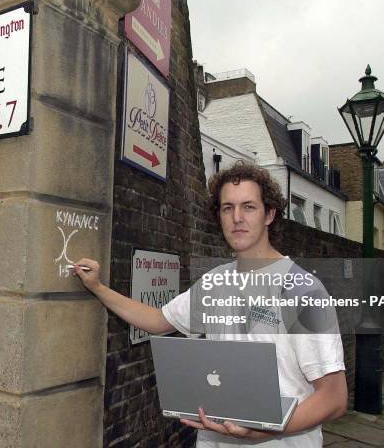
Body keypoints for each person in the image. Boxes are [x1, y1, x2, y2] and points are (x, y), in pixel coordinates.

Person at [72, 162, 347, 447]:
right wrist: (97, 287)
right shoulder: (215, 281)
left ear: (270, 214)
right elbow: (157, 320)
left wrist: (265, 430)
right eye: (227, 208)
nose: (237, 217)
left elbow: (334, 398)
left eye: (249, 207)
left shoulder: (302, 290)